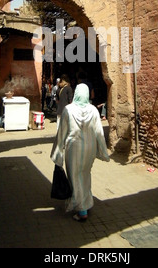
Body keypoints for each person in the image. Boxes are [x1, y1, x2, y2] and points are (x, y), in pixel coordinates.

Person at [50, 83, 110, 222]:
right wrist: (103, 152)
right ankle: (86, 202)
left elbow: (62, 133)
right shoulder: (94, 110)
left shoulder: (68, 110)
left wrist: (57, 152)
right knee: (85, 175)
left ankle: (82, 210)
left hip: (74, 148)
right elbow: (99, 133)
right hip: (89, 148)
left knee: (75, 177)